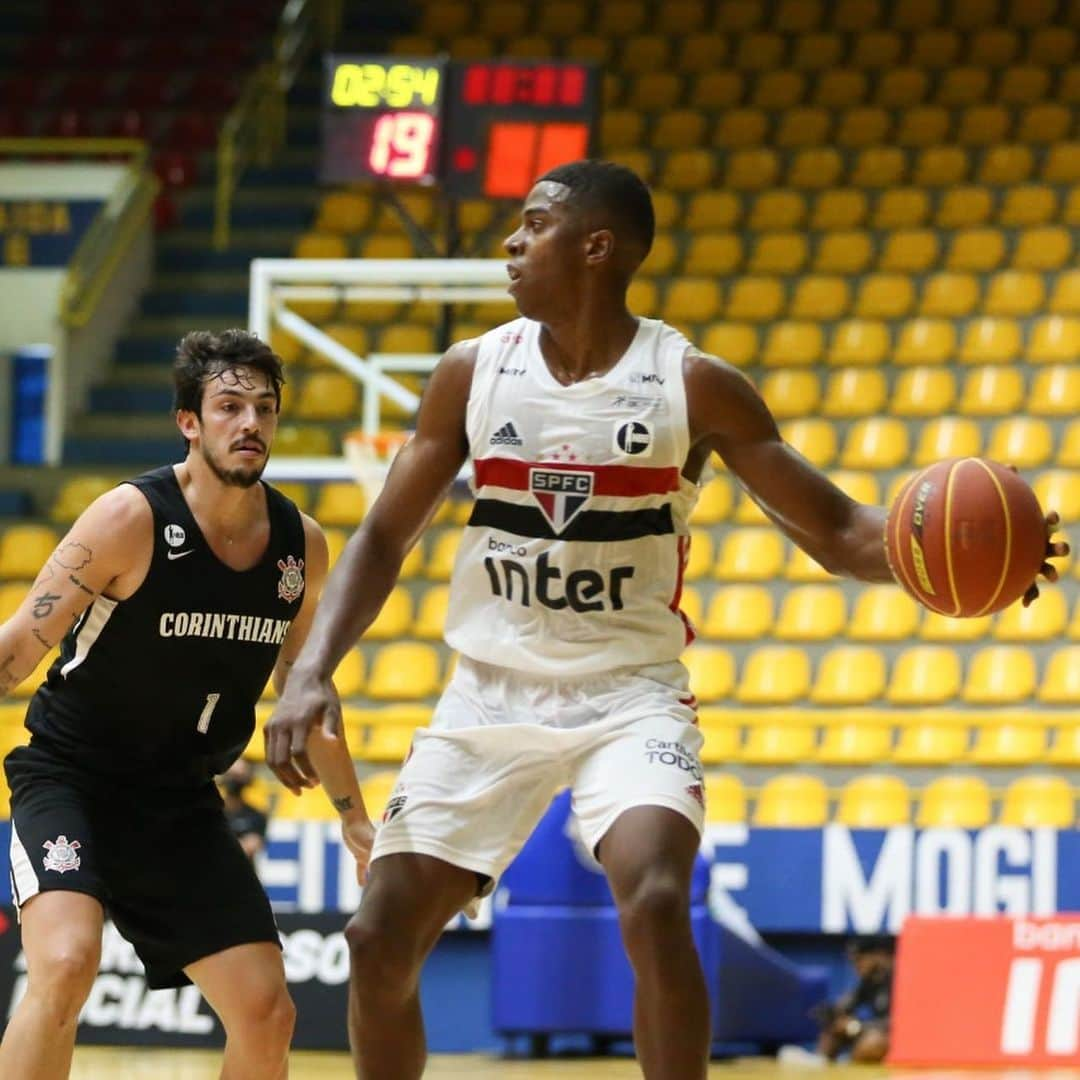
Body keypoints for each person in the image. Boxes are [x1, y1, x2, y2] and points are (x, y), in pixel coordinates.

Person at [265, 160, 1066, 1080]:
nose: (510, 244)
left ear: (596, 248)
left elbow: (844, 535)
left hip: (629, 698)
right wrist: (312, 666)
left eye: (532, 226)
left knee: (651, 897)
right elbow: (381, 536)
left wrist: (973, 557)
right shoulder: (472, 372)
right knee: (377, 937)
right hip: (487, 696)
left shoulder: (693, 385)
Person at [0, 329, 370, 1080]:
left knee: (268, 1012)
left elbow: (306, 694)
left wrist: (354, 815)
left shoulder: (301, 545)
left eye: (264, 408)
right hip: (72, 779)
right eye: (229, 406)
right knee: (67, 963)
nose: (251, 424)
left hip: (178, 800)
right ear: (189, 422)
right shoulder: (127, 517)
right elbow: (17, 649)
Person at [815, 936, 895, 1064]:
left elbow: (901, 1022)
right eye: (852, 962)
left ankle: (846, 1068)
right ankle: (819, 1063)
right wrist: (834, 1015)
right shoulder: (868, 981)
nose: (856, 966)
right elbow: (845, 1004)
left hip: (896, 1037)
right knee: (834, 1031)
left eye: (859, 960)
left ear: (878, 955)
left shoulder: (899, 978)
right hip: (872, 1029)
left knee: (873, 1042)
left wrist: (856, 1026)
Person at [219, 757, 268, 861]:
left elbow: (252, 847)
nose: (234, 781)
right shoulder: (211, 813)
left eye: (239, 777)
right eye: (232, 776)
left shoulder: (256, 815)